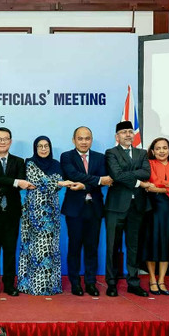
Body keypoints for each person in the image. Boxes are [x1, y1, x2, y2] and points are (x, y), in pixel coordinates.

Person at [0, 127, 33, 296]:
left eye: (5, 139)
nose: (2, 142)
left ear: (10, 141)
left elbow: (0, 181)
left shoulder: (19, 161)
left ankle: (10, 285)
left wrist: (2, 185)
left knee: (10, 250)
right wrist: (16, 183)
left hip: (12, 211)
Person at [60, 126, 113, 297]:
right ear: (74, 140)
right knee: (74, 247)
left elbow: (106, 179)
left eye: (87, 138)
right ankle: (75, 283)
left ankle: (90, 282)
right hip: (74, 209)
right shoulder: (66, 156)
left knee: (92, 248)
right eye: (80, 138)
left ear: (91, 139)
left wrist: (85, 185)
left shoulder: (100, 157)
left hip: (95, 208)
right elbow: (72, 174)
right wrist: (97, 180)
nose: (84, 142)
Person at [104, 120, 151, 298]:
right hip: (116, 207)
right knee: (112, 246)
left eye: (130, 132)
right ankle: (111, 283)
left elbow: (146, 172)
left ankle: (133, 283)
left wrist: (126, 175)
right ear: (117, 136)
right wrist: (138, 181)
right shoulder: (111, 153)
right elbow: (115, 175)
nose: (128, 135)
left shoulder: (142, 153)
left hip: (137, 206)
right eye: (124, 132)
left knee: (133, 246)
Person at [18, 136, 70, 295]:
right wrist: (59, 183)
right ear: (35, 148)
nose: (43, 149)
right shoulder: (29, 162)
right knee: (33, 248)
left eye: (46, 146)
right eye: (40, 146)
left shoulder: (56, 164)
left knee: (50, 248)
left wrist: (55, 184)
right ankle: (31, 285)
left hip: (52, 211)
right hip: (33, 212)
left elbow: (50, 185)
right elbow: (39, 181)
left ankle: (51, 286)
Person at [139, 137, 169, 296]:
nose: (162, 151)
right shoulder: (149, 164)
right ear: (152, 151)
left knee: (167, 242)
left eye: (165, 148)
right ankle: (152, 279)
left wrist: (167, 187)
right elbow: (154, 182)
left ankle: (162, 280)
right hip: (153, 206)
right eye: (158, 148)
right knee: (153, 241)